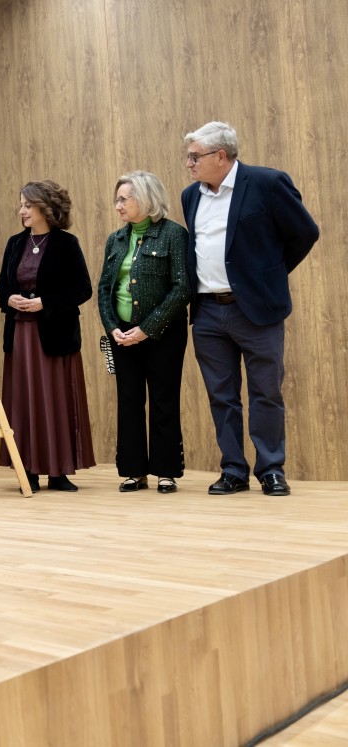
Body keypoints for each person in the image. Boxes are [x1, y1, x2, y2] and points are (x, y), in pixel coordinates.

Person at [181, 122, 319, 497]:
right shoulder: (190, 196)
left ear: (220, 156)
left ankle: (271, 469)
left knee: (265, 392)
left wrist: (267, 277)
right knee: (221, 395)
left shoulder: (268, 183)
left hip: (256, 310)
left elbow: (304, 233)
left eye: (195, 157)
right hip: (208, 312)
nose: (189, 164)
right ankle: (233, 470)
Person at [0, 180, 95, 493]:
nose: (22, 210)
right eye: (22, 205)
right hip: (20, 338)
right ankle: (28, 471)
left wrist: (44, 303)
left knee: (54, 402)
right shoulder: (14, 243)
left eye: (28, 205)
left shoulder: (67, 243)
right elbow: (1, 286)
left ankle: (58, 472)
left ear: (45, 208)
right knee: (23, 402)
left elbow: (83, 289)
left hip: (54, 336)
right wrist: (9, 299)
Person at [97, 171, 191, 494]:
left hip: (163, 333)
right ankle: (133, 471)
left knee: (164, 399)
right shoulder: (116, 240)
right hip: (122, 336)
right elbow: (105, 289)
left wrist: (147, 329)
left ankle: (166, 471)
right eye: (117, 199)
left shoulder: (173, 234)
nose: (118, 205)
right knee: (129, 400)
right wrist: (112, 328)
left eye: (125, 198)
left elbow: (181, 288)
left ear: (146, 198)